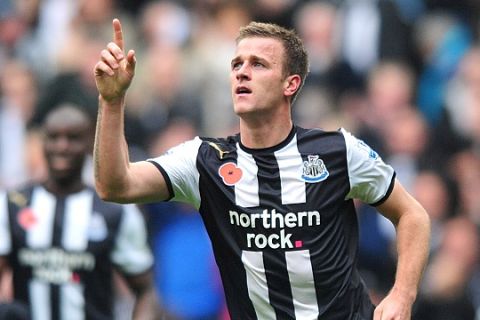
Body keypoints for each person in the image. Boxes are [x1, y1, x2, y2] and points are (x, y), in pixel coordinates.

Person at [93, 19, 431, 320]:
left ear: (290, 84)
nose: (242, 71)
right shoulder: (204, 160)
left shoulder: (338, 151)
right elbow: (115, 186)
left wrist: (402, 294)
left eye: (258, 64)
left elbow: (412, 215)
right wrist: (112, 101)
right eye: (237, 63)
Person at [0, 103, 161, 320]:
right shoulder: (12, 204)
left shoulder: (115, 211)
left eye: (73, 138)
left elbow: (145, 290)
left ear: (89, 144)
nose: (62, 146)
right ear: (42, 142)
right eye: (53, 137)